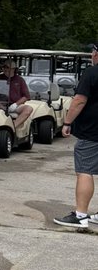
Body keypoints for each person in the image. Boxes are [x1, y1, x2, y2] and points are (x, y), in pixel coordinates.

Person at [54, 44, 98, 229]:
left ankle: (80, 215)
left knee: (85, 171)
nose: (92, 54)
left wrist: (67, 122)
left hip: (92, 130)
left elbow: (79, 100)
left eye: (94, 51)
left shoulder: (92, 73)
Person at [3, 61, 32, 133]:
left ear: (13, 69)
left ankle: (12, 127)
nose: (6, 70)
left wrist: (16, 104)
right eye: (5, 67)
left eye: (8, 68)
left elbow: (26, 96)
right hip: (0, 104)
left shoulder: (19, 80)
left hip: (14, 105)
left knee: (29, 109)